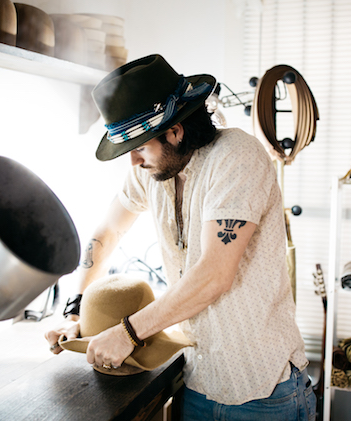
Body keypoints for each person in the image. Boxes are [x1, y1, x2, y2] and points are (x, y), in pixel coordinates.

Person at [45, 54, 316, 421]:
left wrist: (128, 332)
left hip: (264, 391)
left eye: (139, 147)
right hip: (199, 380)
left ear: (175, 131)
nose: (133, 161)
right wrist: (75, 309)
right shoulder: (151, 171)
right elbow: (108, 232)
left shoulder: (236, 157)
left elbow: (215, 274)